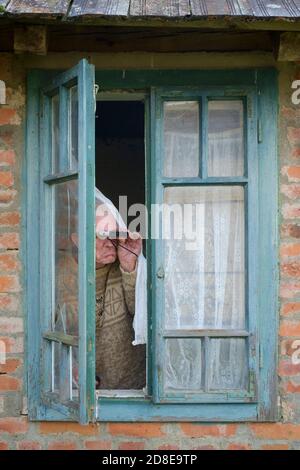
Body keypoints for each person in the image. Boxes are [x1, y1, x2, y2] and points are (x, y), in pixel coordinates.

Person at [94, 189, 146, 390]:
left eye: (113, 234)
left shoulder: (124, 266)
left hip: (129, 388)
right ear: (77, 239)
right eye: (102, 235)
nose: (110, 243)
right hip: (77, 391)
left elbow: (140, 311)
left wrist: (129, 266)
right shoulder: (63, 274)